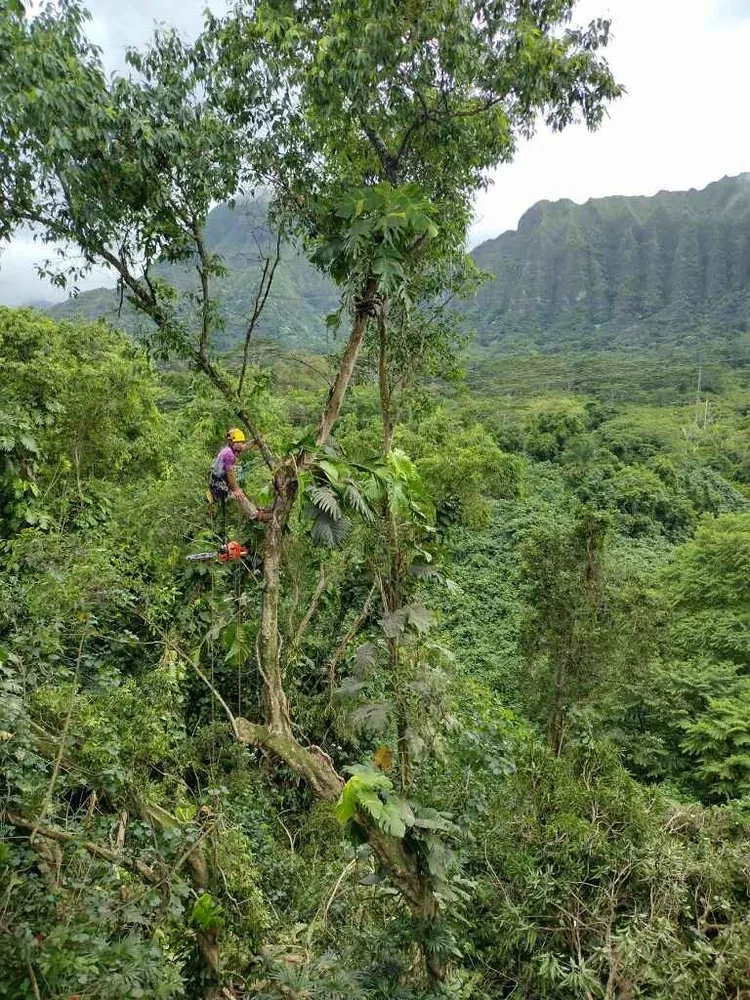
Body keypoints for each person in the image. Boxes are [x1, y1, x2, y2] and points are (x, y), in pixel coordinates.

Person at [209, 428, 270, 523]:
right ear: (231, 442)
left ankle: (256, 509)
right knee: (239, 496)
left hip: (221, 481)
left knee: (241, 493)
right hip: (218, 486)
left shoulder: (230, 449)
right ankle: (255, 515)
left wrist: (255, 441)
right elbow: (230, 474)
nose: (240, 444)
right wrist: (236, 490)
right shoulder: (228, 454)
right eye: (238, 442)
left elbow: (244, 447)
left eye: (241, 442)